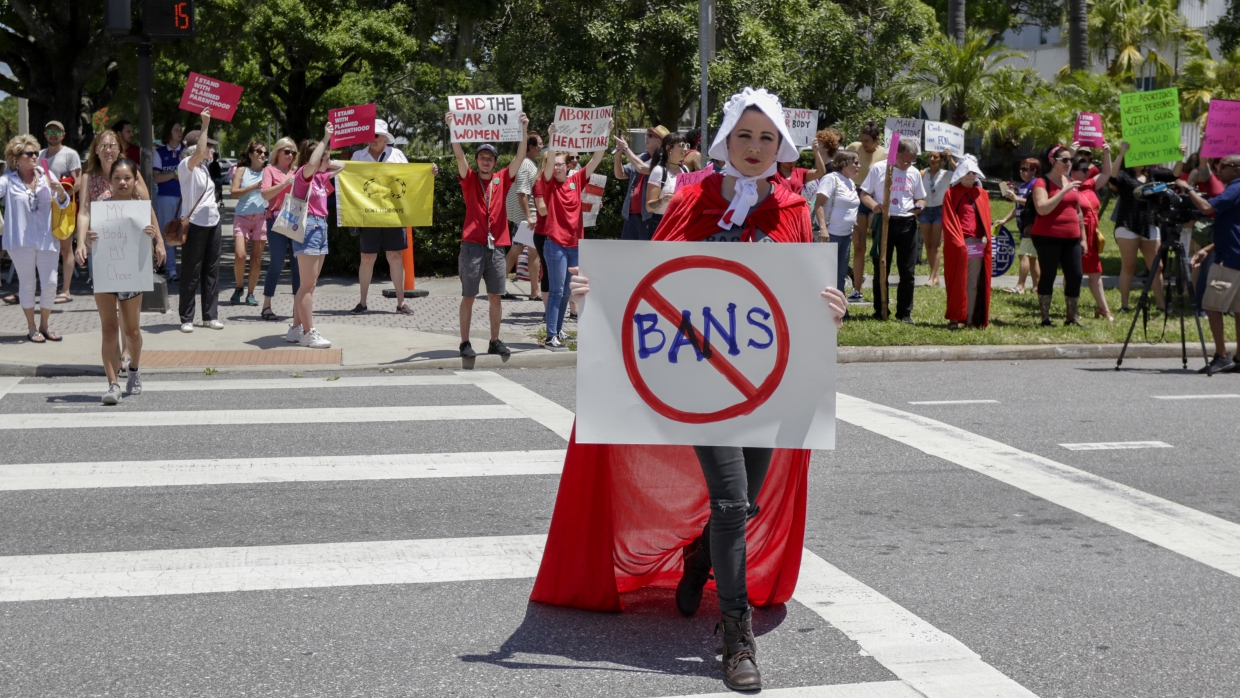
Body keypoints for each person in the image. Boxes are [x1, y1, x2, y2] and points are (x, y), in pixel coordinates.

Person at [535, 88, 849, 693]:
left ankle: (702, 555)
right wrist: (594, 299)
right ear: (725, 140)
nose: (755, 149)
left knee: (744, 502)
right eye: (744, 137)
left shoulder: (792, 207)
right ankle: (736, 636)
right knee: (732, 502)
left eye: (765, 138)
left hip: (764, 384)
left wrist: (831, 313)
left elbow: (803, 295)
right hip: (699, 379)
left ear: (779, 144)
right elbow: (653, 278)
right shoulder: (693, 197)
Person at [75, 158, 165, 404]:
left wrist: (155, 238)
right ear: (109, 181)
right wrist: (88, 239)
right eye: (117, 178)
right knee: (108, 329)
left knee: (133, 331)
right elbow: (91, 238)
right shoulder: (101, 209)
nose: (122, 182)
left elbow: (152, 233)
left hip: (132, 274)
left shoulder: (141, 208)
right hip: (106, 273)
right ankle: (112, 384)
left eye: (127, 178)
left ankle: (134, 369)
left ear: (135, 180)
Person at [445, 110, 530, 358]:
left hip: (498, 246)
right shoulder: (468, 178)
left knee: (495, 296)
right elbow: (458, 154)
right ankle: (464, 343)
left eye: (489, 158)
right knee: (469, 296)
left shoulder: (502, 179)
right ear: (477, 161)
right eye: (481, 157)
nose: (485, 161)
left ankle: (494, 340)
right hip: (472, 245)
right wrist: (452, 127)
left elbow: (521, 155)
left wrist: (523, 129)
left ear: (494, 162)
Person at [540, 139, 609, 349]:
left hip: (575, 245)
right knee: (556, 291)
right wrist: (553, 141)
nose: (558, 167)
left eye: (562, 163)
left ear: (568, 166)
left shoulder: (576, 180)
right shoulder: (549, 183)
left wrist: (603, 133)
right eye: (556, 164)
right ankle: (550, 335)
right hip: (555, 244)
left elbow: (597, 158)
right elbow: (550, 164)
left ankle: (558, 330)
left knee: (567, 293)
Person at [2, 134, 71, 343]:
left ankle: (45, 325)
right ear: (16, 158)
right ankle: (32, 327)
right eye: (29, 153)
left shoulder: (46, 175)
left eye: (35, 153)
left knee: (50, 283)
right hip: (20, 240)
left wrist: (59, 192)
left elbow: (64, 203)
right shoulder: (7, 181)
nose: (34, 156)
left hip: (47, 238)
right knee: (28, 283)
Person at [350, 119, 421, 313]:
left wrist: (430, 173)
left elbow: (411, 177)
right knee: (366, 257)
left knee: (396, 257)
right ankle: (362, 302)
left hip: (393, 214)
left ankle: (401, 303)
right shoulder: (357, 155)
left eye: (376, 135)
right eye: (369, 136)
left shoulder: (397, 154)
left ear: (384, 138)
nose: (372, 139)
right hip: (368, 213)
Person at [1178, 153, 1240, 372]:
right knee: (1238, 309)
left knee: (1211, 305)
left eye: (1222, 166)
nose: (1217, 169)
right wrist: (1207, 248)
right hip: (1233, 254)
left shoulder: (1235, 187)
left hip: (1229, 259)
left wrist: (1188, 188)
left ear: (1236, 169)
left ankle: (1222, 355)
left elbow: (1206, 208)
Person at [287, 126, 346, 349]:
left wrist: (326, 160)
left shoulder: (321, 178)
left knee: (309, 285)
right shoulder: (304, 175)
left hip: (320, 227)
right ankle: (308, 332)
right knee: (307, 285)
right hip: (308, 226)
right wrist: (325, 139)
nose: (329, 161)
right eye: (326, 157)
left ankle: (295, 329)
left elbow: (343, 166)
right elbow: (311, 164)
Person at [859, 138, 926, 323]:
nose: (907, 165)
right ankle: (881, 309)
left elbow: (921, 198)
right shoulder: (880, 169)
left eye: (911, 161)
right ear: (896, 154)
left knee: (908, 271)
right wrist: (874, 206)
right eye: (904, 160)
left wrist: (919, 207)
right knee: (881, 267)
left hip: (907, 223)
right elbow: (864, 193)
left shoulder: (914, 173)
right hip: (885, 222)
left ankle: (904, 312)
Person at [1110, 141, 1175, 311]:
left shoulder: (1153, 174)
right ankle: (1125, 305)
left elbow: (1175, 174)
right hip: (1128, 224)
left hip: (1150, 223)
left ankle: (1161, 305)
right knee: (1129, 265)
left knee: (1157, 266)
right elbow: (1112, 178)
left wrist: (1180, 156)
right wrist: (1121, 154)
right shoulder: (1124, 176)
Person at [177, 110, 225, 333]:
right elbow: (197, 153)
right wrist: (205, 123)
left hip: (213, 222)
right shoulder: (186, 165)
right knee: (191, 270)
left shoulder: (204, 169)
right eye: (209, 145)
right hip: (195, 223)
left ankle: (209, 316)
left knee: (211, 270)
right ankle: (187, 317)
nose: (212, 149)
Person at [1030, 144, 1087, 327]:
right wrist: (1063, 191)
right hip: (1047, 237)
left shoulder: (1069, 180)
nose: (1069, 162)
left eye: (1070, 159)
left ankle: (1071, 318)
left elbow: (1078, 212)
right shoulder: (1041, 182)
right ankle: (1045, 319)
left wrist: (1083, 238)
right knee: (1048, 275)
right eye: (1065, 160)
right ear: (1053, 161)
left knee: (1076, 275)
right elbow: (1042, 208)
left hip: (1072, 237)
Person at [941, 156, 992, 329]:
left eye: (973, 173)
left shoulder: (982, 194)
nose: (971, 176)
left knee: (972, 281)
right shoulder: (951, 193)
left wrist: (986, 235)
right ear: (960, 174)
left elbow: (986, 218)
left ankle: (970, 318)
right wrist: (958, 242)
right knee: (957, 280)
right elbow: (948, 220)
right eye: (967, 173)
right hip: (958, 245)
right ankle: (955, 317)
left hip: (977, 244)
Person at [38, 120, 82, 305]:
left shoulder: (70, 154)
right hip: (43, 209)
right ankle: (45, 289)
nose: (53, 134)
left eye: (57, 131)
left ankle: (66, 290)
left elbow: (78, 183)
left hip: (64, 207)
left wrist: (62, 197)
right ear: (45, 134)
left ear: (63, 135)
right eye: (50, 131)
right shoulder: (39, 155)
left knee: (66, 249)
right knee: (43, 249)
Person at [258, 137, 300, 323]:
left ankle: (298, 306)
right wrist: (284, 183)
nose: (290, 155)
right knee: (277, 263)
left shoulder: (297, 171)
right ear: (278, 152)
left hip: (295, 220)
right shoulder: (270, 170)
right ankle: (267, 305)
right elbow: (265, 194)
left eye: (293, 152)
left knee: (298, 266)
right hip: (276, 220)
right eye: (287, 151)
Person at [813, 150, 862, 304]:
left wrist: (857, 227)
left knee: (841, 274)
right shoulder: (831, 179)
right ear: (844, 163)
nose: (858, 166)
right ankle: (821, 305)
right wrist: (823, 228)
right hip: (830, 234)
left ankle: (839, 308)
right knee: (826, 273)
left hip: (846, 234)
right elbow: (819, 204)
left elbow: (849, 208)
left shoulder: (850, 183)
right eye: (855, 162)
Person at [845, 121, 887, 300]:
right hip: (856, 196)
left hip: (874, 199)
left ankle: (881, 288)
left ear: (877, 139)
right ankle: (857, 289)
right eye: (862, 139)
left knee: (879, 246)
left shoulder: (885, 153)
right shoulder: (854, 147)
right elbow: (842, 165)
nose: (864, 143)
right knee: (859, 245)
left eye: (868, 140)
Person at [1073, 145, 1115, 321]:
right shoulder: (1068, 186)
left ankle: (1104, 310)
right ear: (1073, 172)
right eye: (1083, 169)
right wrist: (1071, 150)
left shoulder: (1089, 185)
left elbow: (1106, 174)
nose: (1087, 171)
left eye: (1087, 168)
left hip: (1090, 235)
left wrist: (1107, 153)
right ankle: (1072, 309)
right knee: (1073, 273)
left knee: (1095, 273)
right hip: (1076, 235)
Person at [503, 131, 543, 302]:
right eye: (540, 144)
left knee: (517, 250)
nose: (542, 146)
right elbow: (522, 193)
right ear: (531, 147)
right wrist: (529, 216)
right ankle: (535, 292)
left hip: (524, 217)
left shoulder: (525, 163)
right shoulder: (527, 165)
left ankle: (498, 286)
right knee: (533, 253)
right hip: (528, 218)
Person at [229, 141, 269, 306]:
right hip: (242, 217)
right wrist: (253, 187)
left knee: (256, 259)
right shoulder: (242, 170)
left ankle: (251, 293)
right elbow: (233, 193)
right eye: (259, 152)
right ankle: (239, 287)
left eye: (265, 153)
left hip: (261, 218)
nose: (262, 155)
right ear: (251, 154)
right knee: (240, 255)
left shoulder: (268, 172)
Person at [994, 158, 1041, 294]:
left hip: (1032, 226)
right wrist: (1004, 220)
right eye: (1021, 169)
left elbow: (1036, 203)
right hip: (1023, 227)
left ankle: (1020, 286)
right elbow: (1017, 207)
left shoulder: (1036, 185)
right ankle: (1037, 287)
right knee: (1032, 258)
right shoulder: (1022, 186)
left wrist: (1016, 198)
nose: (1021, 172)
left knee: (1024, 255)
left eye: (1025, 169)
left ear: (1034, 171)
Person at [614, 125, 667, 240]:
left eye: (650, 136)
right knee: (628, 254)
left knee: (646, 255)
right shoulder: (642, 157)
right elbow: (620, 174)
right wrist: (618, 156)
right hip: (631, 216)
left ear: (659, 142)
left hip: (649, 217)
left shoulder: (663, 160)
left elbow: (643, 168)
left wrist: (626, 149)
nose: (646, 137)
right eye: (646, 135)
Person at [152, 120, 185, 282]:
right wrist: (174, 174)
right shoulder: (159, 153)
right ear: (168, 133)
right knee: (169, 233)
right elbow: (157, 178)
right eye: (176, 129)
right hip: (165, 197)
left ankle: (188, 268)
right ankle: (171, 269)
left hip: (185, 198)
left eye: (180, 130)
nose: (180, 132)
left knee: (187, 232)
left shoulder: (186, 152)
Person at [920, 149, 956, 287]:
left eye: (935, 157)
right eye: (930, 156)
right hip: (924, 210)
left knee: (936, 245)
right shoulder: (923, 173)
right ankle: (934, 275)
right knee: (928, 245)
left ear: (941, 160)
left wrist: (951, 159)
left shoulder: (947, 174)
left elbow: (961, 173)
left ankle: (932, 277)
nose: (932, 159)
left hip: (940, 210)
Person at [645, 131, 688, 229]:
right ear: (668, 148)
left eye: (686, 145)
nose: (685, 149)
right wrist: (663, 200)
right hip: (661, 223)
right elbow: (648, 207)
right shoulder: (658, 171)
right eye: (681, 145)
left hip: (681, 222)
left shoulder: (685, 170)